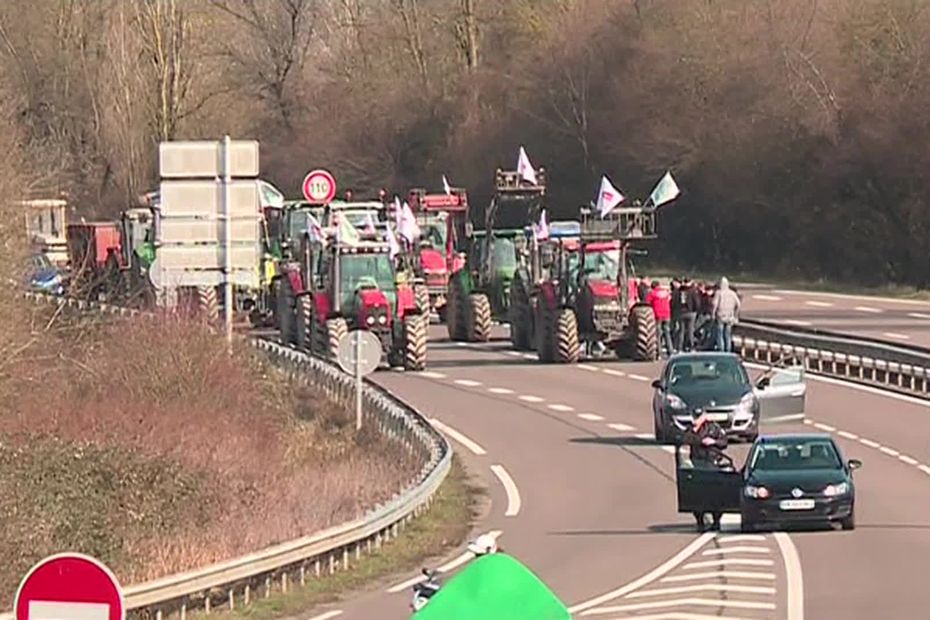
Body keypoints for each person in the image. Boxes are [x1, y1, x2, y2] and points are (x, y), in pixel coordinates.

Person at [682, 413, 729, 530]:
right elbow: (687, 439)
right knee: (697, 496)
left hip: (713, 463)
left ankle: (716, 521)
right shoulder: (691, 430)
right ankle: (700, 520)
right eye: (695, 417)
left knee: (715, 495)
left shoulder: (714, 428)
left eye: (699, 417)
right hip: (698, 465)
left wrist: (713, 442)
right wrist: (698, 434)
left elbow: (724, 442)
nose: (696, 419)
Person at [712, 276, 741, 352]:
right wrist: (735, 315)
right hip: (730, 317)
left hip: (720, 317)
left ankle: (721, 350)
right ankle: (728, 350)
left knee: (720, 335)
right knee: (727, 335)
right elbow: (738, 304)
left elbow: (714, 304)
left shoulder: (719, 293)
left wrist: (713, 314)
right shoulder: (732, 294)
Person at [645, 280, 674, 357]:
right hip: (667, 314)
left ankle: (659, 353)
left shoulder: (652, 293)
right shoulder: (665, 293)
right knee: (667, 333)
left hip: (657, 314)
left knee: (658, 335)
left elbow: (647, 303)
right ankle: (670, 351)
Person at [675, 278, 702, 352]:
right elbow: (697, 302)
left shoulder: (678, 291)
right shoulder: (692, 291)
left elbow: (675, 302)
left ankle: (680, 348)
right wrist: (696, 310)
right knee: (690, 331)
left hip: (681, 312)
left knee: (681, 331)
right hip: (691, 312)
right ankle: (691, 347)